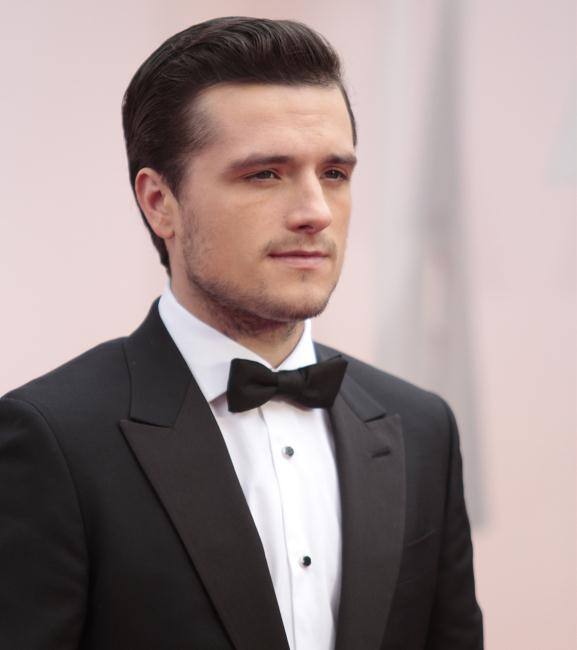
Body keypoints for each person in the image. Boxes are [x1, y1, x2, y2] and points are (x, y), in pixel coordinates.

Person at [0, 16, 483, 650]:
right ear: (159, 202)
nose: (315, 212)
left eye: (334, 174)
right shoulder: (53, 438)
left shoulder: (421, 427)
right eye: (265, 174)